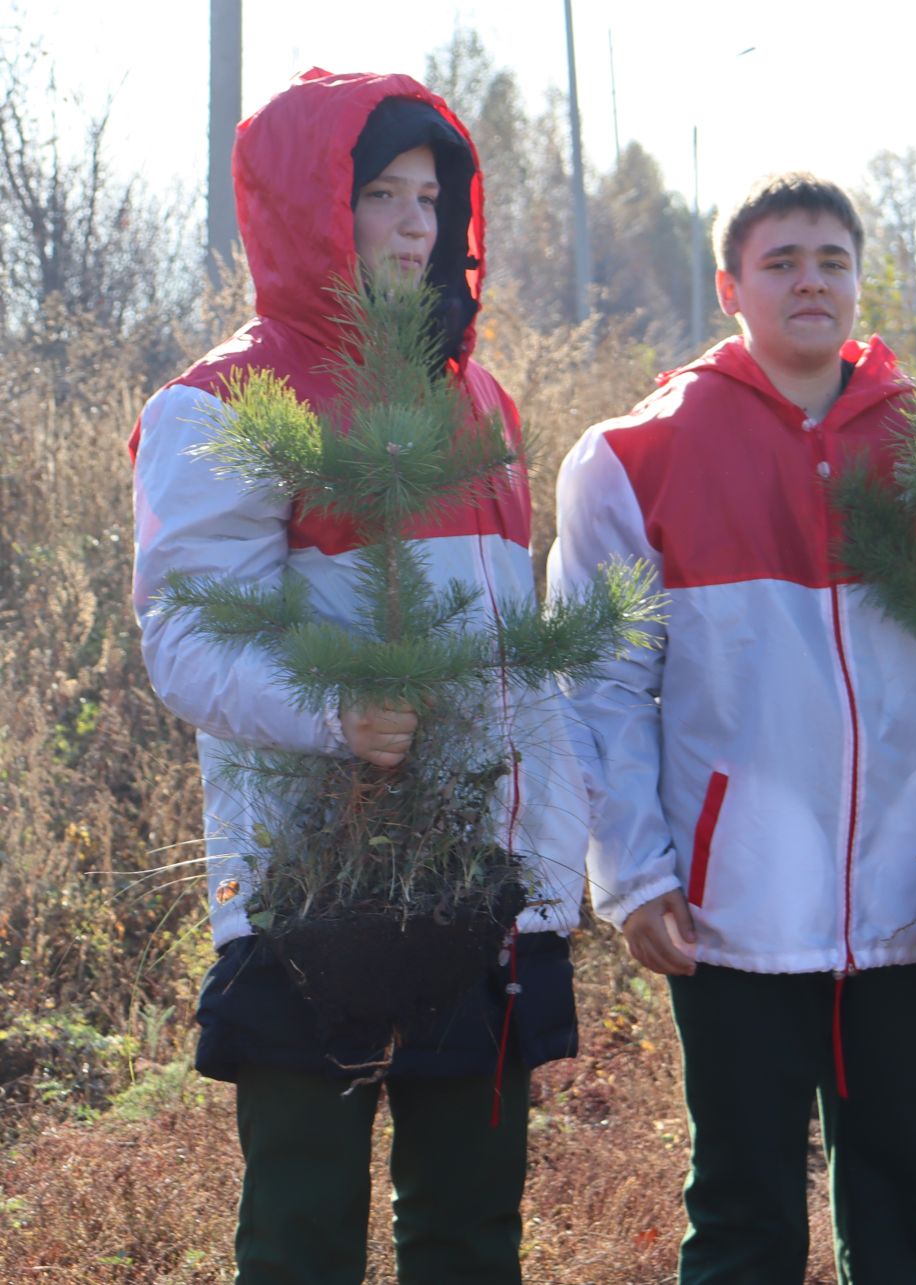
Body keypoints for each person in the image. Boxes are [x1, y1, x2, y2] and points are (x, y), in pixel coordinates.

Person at [550, 171, 916, 1285]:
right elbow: (600, 690)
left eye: (831, 261)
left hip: (913, 897)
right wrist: (635, 874)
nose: (810, 281)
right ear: (730, 285)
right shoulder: (633, 458)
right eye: (781, 261)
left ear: (859, 280)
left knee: (895, 1206)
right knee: (743, 1209)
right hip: (734, 907)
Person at [131, 69, 588, 1284]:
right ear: (302, 208)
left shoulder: (478, 395)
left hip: (476, 881)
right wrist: (335, 714)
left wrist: (551, 860)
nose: (414, 226)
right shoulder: (221, 402)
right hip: (313, 888)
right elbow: (184, 637)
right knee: (303, 1232)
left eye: (431, 197)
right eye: (377, 194)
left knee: (473, 1230)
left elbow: (510, 656)